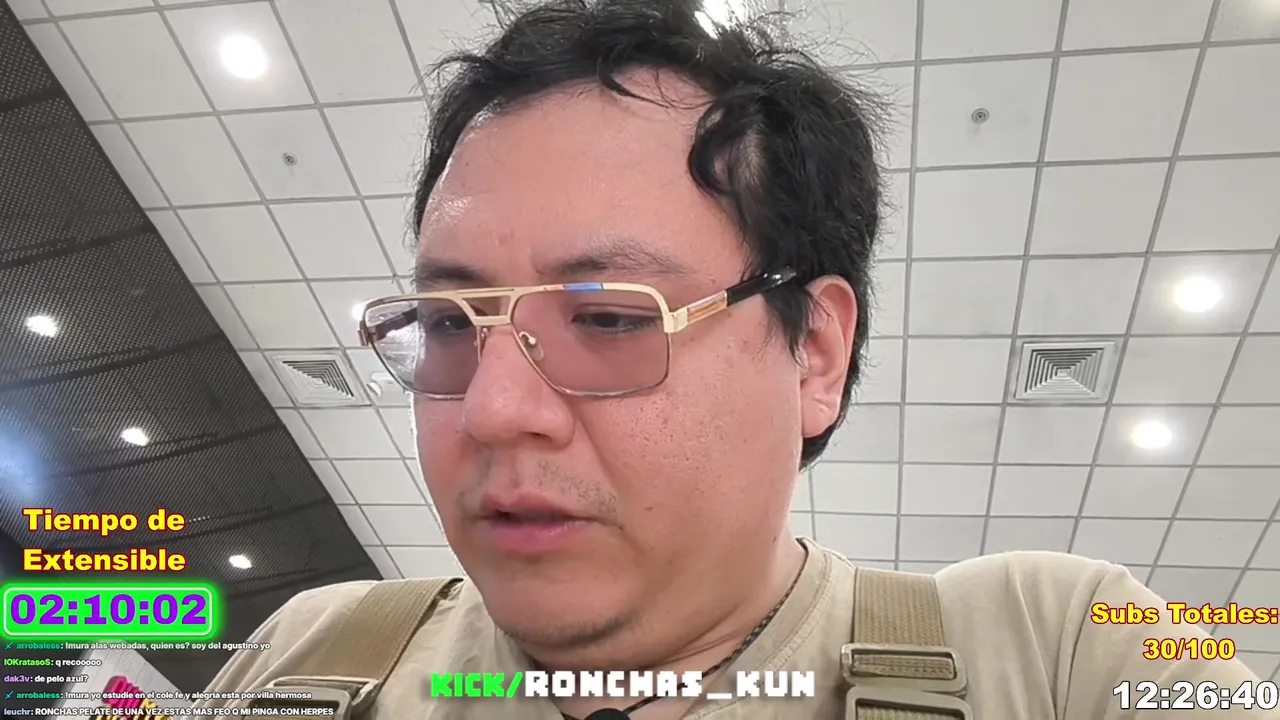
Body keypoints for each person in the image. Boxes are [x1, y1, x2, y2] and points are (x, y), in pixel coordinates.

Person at [196, 1, 1271, 718]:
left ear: (814, 353)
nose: (492, 409)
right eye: (447, 323)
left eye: (607, 318)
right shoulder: (312, 656)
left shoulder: (1057, 655)